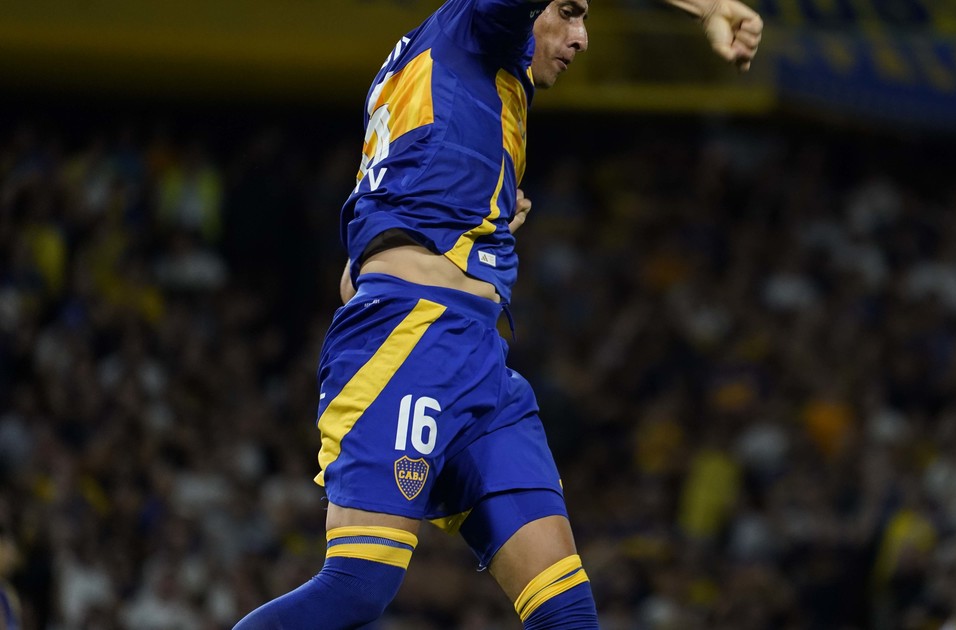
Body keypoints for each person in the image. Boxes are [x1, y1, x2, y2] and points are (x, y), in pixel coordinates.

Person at [234, 0, 761, 626]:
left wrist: (477, 224)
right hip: (414, 339)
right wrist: (704, 6)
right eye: (568, 12)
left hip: (476, 359)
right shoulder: (477, 25)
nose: (582, 37)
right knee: (356, 588)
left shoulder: (458, 83)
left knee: (567, 617)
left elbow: (355, 274)